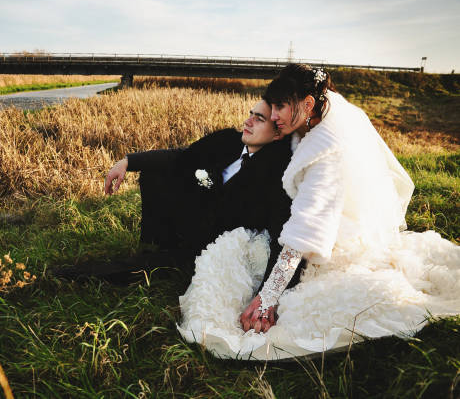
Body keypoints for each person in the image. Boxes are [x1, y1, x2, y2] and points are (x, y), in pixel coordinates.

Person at [177, 64, 460, 360]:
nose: (272, 116)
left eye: (279, 107)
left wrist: (269, 296)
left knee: (286, 290)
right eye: (270, 107)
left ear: (308, 104)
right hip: (310, 216)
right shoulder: (317, 110)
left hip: (330, 233)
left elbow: (306, 226)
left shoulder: (328, 150)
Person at [92, 99, 298, 283]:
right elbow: (182, 155)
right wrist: (128, 161)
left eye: (259, 119)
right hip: (193, 216)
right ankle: (156, 243)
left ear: (277, 134)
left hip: (216, 240)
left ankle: (171, 260)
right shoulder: (230, 140)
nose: (248, 121)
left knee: (124, 270)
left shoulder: (276, 174)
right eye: (250, 114)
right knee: (154, 171)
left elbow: (280, 230)